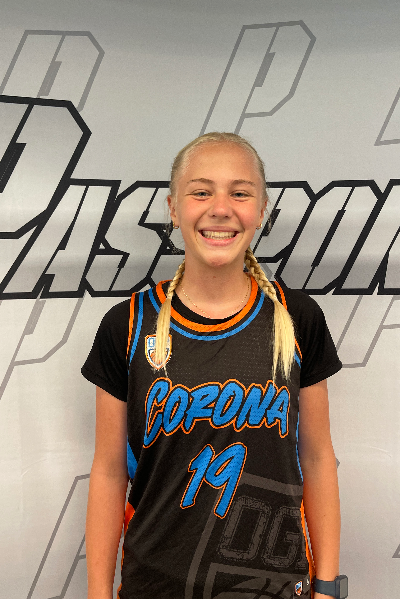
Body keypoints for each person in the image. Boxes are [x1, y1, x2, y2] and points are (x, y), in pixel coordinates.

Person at [82, 132, 344, 599]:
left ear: (261, 210)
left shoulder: (296, 318)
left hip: (274, 586)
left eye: (240, 193)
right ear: (173, 207)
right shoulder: (128, 325)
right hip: (155, 586)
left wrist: (326, 585)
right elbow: (108, 471)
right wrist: (98, 594)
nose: (220, 208)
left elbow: (318, 457)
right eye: (201, 192)